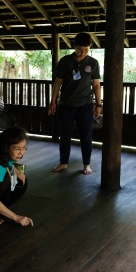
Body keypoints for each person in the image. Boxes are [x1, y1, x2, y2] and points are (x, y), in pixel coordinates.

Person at [47, 32, 102, 175]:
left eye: (86, 50)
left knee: (86, 135)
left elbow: (96, 84)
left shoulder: (93, 63)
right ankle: (63, 163)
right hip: (66, 104)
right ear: (74, 47)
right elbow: (57, 82)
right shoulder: (65, 62)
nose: (82, 52)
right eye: (79, 49)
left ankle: (86, 164)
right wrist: (53, 102)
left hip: (85, 105)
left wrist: (98, 104)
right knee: (64, 135)